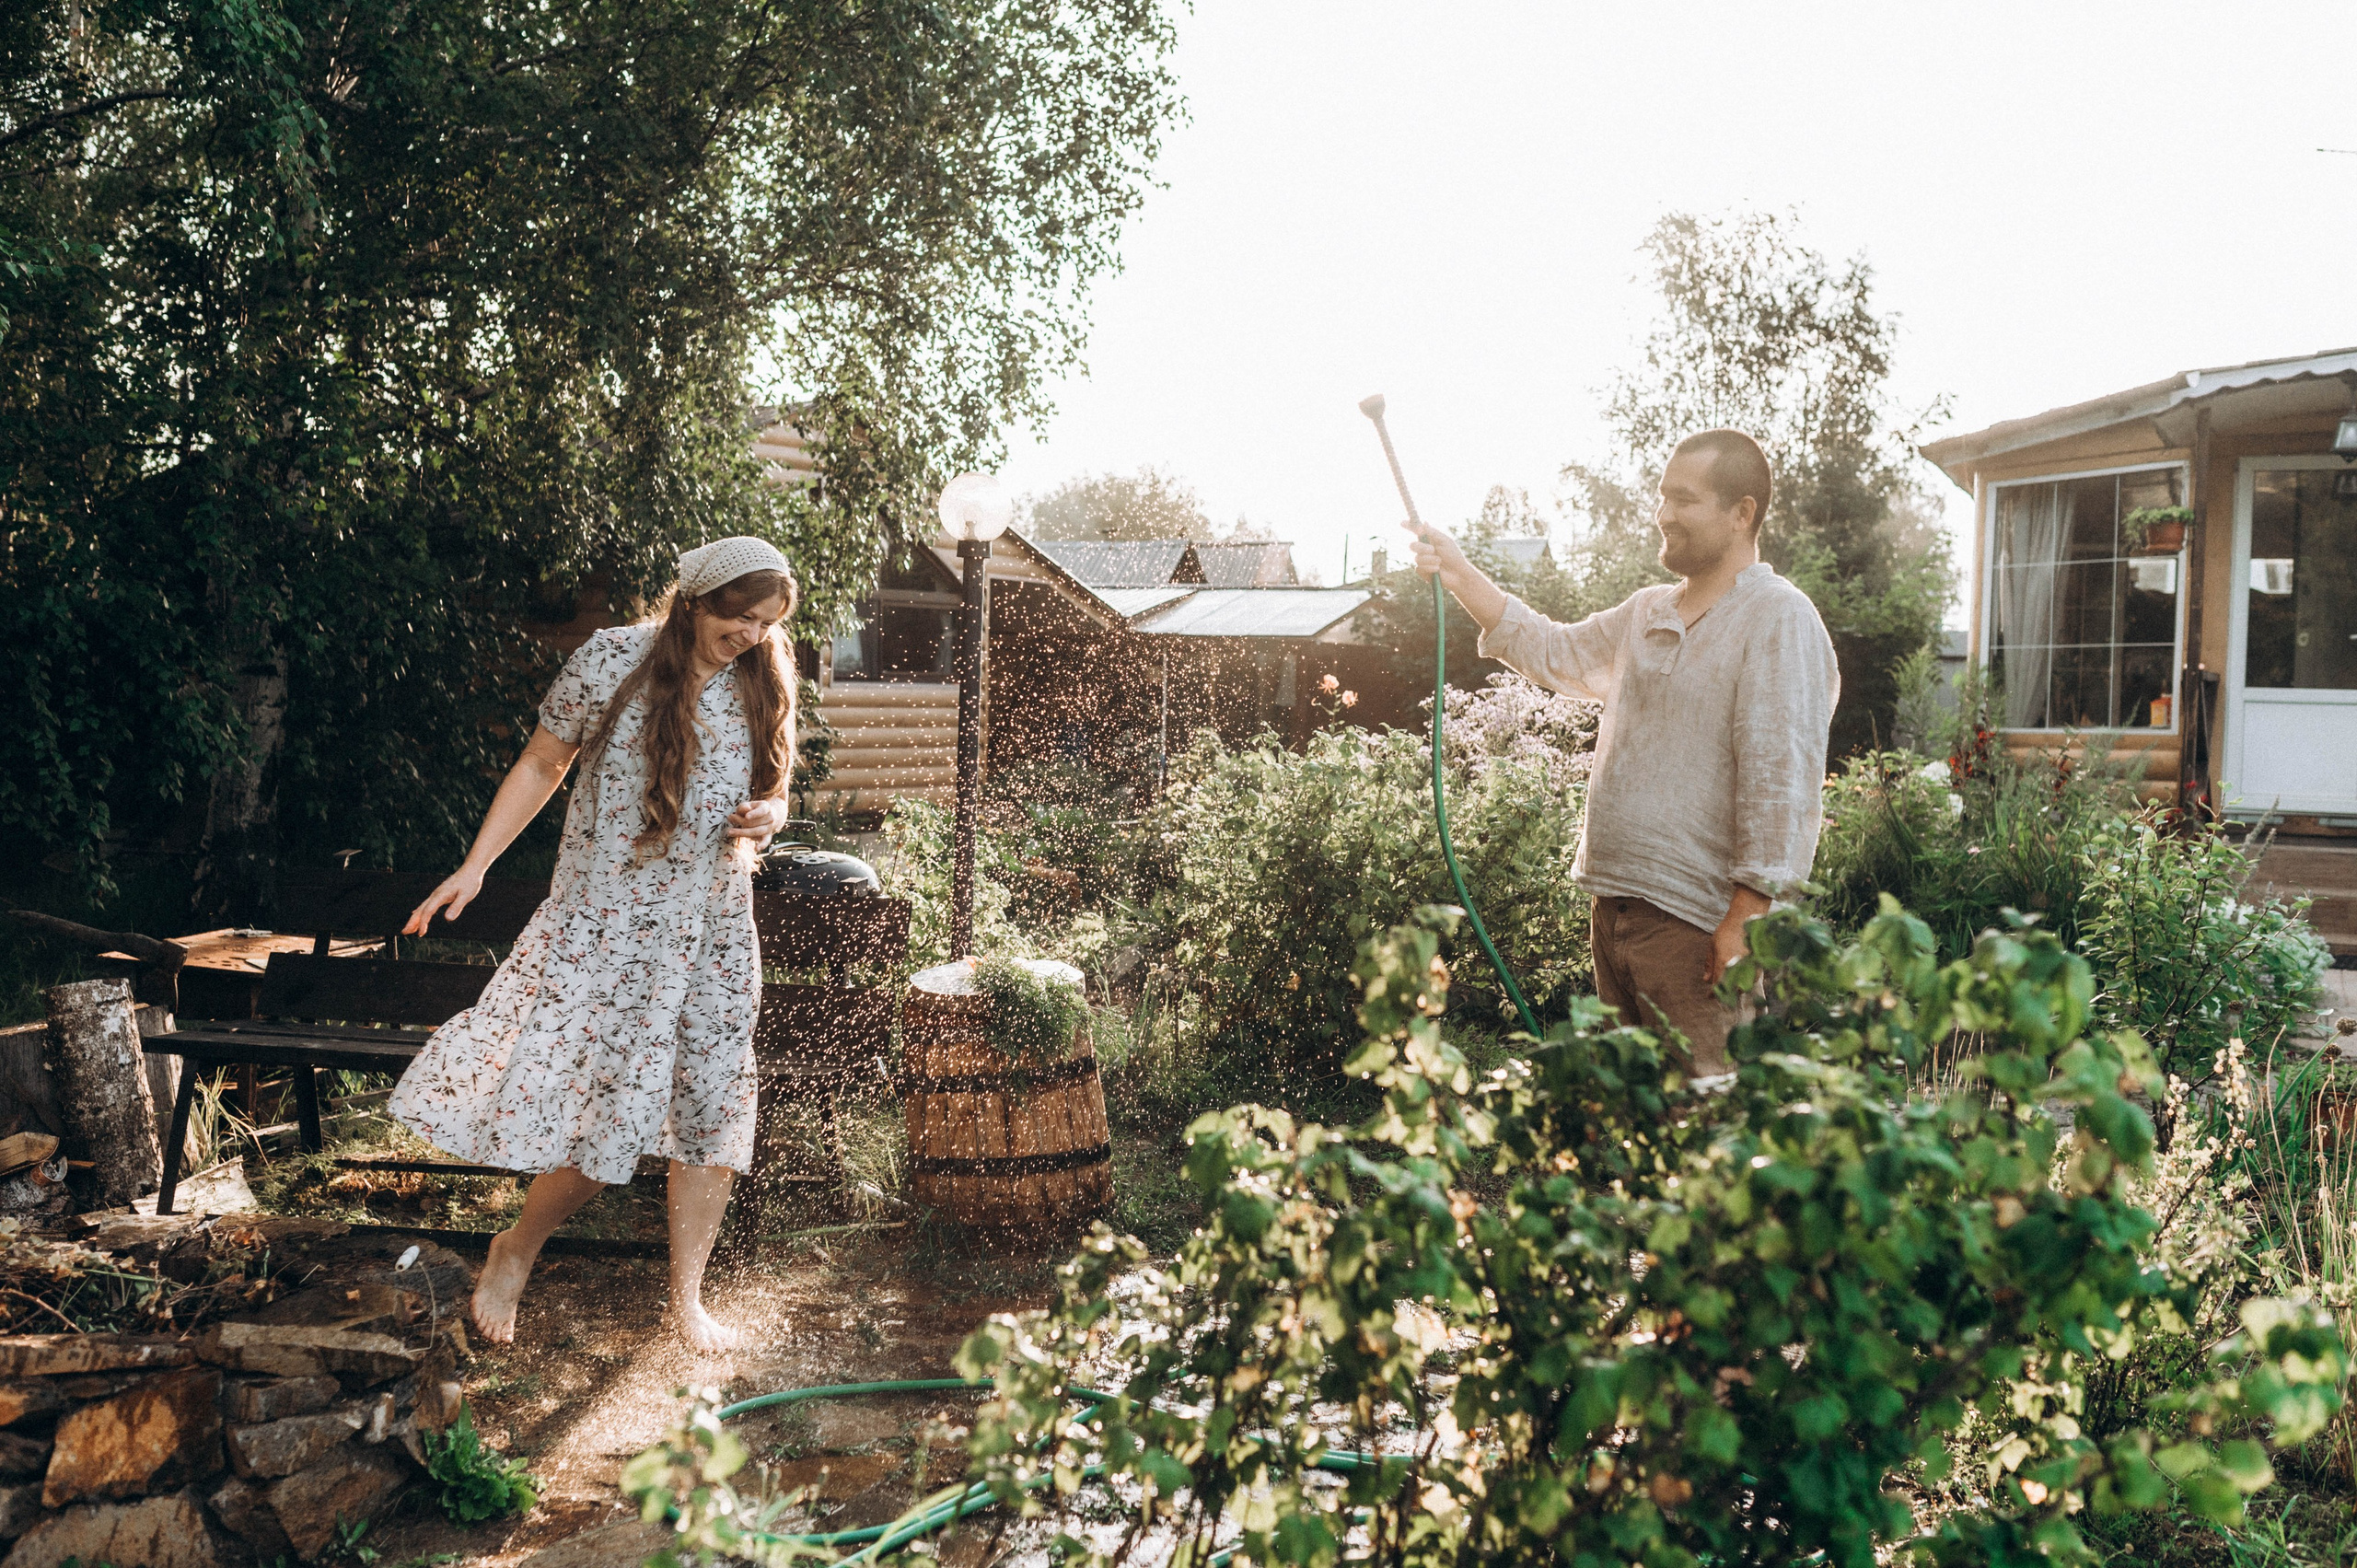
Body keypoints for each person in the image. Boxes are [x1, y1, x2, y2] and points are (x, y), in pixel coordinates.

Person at [390, 537, 798, 1352]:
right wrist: (476, 866)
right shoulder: (611, 661)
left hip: (715, 931)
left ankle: (688, 1299)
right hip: (611, 925)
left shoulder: (763, 676)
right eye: (740, 617)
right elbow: (544, 762)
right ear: (694, 600)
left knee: (713, 1111)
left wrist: (772, 814)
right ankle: (517, 1248)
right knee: (610, 1110)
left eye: (767, 622)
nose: (753, 635)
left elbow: (777, 787)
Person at [1407, 430, 1838, 1079]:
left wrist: (1749, 916)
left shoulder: (1778, 618)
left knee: (1706, 1129)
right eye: (1662, 496)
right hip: (1616, 914)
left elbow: (1785, 781)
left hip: (1700, 926)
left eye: (1684, 499)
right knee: (1638, 1131)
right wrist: (1459, 570)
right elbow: (1552, 649)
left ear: (1741, 512)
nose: (1663, 513)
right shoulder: (1647, 612)